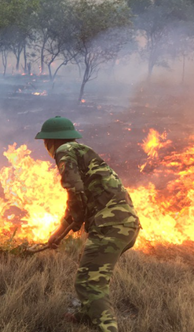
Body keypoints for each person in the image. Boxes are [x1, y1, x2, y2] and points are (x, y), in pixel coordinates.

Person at [35, 116, 140, 332]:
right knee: (90, 271)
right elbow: (77, 200)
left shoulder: (64, 151)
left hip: (110, 225)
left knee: (89, 284)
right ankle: (85, 315)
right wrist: (60, 232)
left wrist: (75, 222)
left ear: (49, 142)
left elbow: (75, 191)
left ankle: (108, 328)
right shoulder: (82, 152)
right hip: (124, 224)